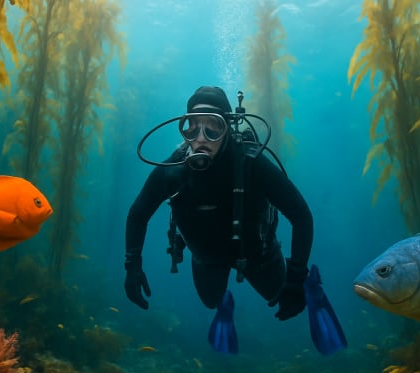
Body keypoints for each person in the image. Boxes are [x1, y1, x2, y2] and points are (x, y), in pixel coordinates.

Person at [124, 86, 345, 354]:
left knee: (281, 296)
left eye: (213, 128)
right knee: (210, 301)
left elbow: (301, 215)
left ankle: (314, 290)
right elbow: (138, 214)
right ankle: (225, 307)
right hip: (207, 256)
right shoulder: (174, 170)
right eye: (192, 128)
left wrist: (298, 277)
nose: (201, 138)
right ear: (185, 129)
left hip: (257, 254)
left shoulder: (252, 164)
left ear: (227, 128)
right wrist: (132, 266)